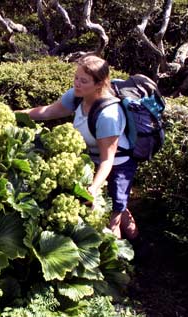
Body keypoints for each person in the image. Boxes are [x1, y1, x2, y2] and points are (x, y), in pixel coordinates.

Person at [17, 54, 138, 240]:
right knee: (115, 205)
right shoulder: (76, 96)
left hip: (117, 166)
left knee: (112, 218)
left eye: (83, 81)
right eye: (76, 78)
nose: (77, 84)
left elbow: (107, 160)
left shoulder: (108, 116)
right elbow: (48, 112)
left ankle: (125, 257)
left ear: (99, 84)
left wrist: (94, 188)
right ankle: (123, 211)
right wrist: (15, 114)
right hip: (89, 161)